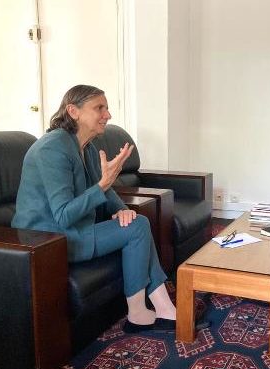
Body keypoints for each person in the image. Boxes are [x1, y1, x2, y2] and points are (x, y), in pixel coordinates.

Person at [12, 84, 178, 333]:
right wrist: (102, 185)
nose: (108, 115)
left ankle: (164, 310)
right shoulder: (52, 149)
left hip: (74, 229)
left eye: (107, 108)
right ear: (73, 111)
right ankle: (139, 313)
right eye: (99, 108)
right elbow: (64, 214)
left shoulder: (84, 145)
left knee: (136, 221)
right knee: (138, 227)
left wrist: (122, 209)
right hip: (49, 240)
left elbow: (104, 188)